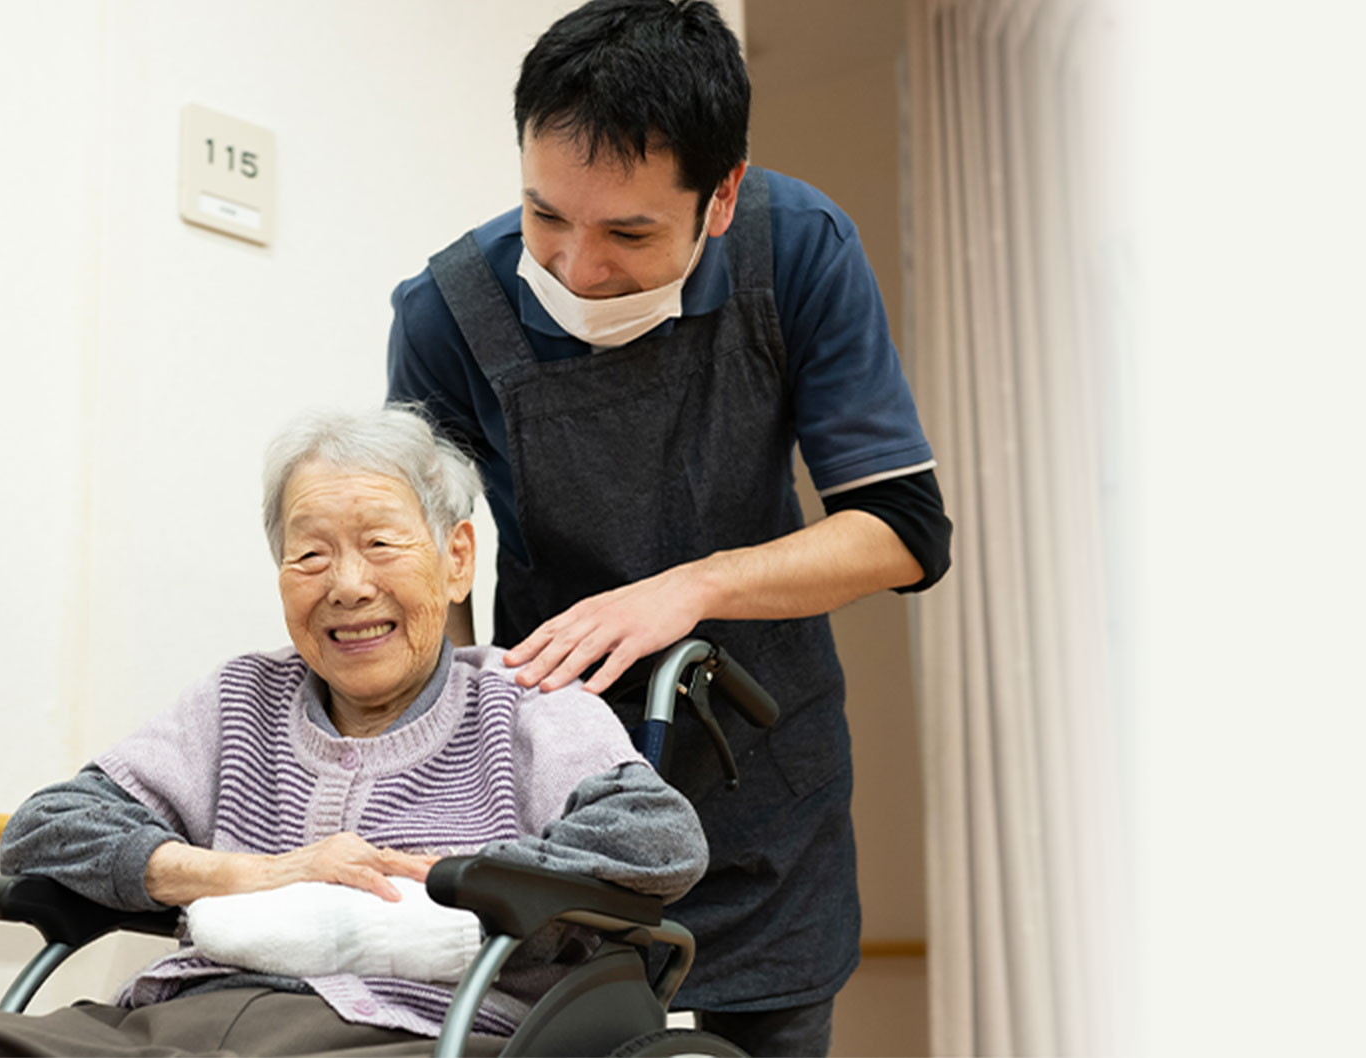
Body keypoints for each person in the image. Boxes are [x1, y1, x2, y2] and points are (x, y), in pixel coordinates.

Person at [386, 1, 953, 1054]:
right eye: (544, 214)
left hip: (764, 783)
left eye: (630, 232)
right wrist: (441, 772)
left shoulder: (799, 251)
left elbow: (903, 527)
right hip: (564, 783)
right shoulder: (447, 314)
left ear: (723, 196)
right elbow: (437, 582)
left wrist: (687, 586)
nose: (574, 265)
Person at [0, 405, 708, 1057]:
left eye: (380, 544)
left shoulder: (522, 701)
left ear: (456, 559)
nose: (345, 585)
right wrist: (241, 874)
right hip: (179, 1019)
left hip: (412, 1032)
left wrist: (461, 879)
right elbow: (47, 829)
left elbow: (655, 836)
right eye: (309, 555)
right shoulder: (242, 698)